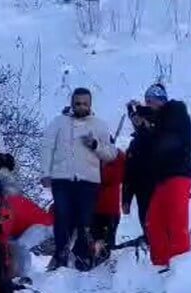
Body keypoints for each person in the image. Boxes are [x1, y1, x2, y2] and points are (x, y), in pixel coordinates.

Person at [41, 88, 118, 270]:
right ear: (71, 103)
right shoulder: (58, 123)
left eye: (85, 103)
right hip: (62, 179)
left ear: (90, 104)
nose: (81, 106)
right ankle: (60, 256)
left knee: (85, 221)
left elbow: (111, 154)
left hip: (88, 181)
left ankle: (82, 256)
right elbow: (47, 147)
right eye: (77, 103)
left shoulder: (99, 125)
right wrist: (45, 173)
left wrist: (95, 145)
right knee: (61, 218)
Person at [133, 84, 191, 269]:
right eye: (146, 102)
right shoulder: (158, 122)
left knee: (176, 223)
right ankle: (160, 266)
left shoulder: (176, 110)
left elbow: (167, 135)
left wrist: (146, 116)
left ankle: (181, 267)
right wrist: (142, 126)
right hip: (162, 178)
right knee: (153, 223)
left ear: (161, 100)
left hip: (178, 174)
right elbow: (150, 145)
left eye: (151, 101)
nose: (148, 105)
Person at [123, 103, 158, 239]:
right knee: (146, 223)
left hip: (156, 188)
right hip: (141, 191)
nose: (135, 122)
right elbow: (129, 173)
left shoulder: (157, 137)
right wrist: (126, 198)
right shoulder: (134, 143)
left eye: (139, 119)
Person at [93, 150, 126, 263]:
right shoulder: (93, 160)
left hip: (110, 210)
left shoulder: (118, 160)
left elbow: (119, 175)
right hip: (95, 210)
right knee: (96, 241)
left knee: (107, 244)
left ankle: (106, 268)